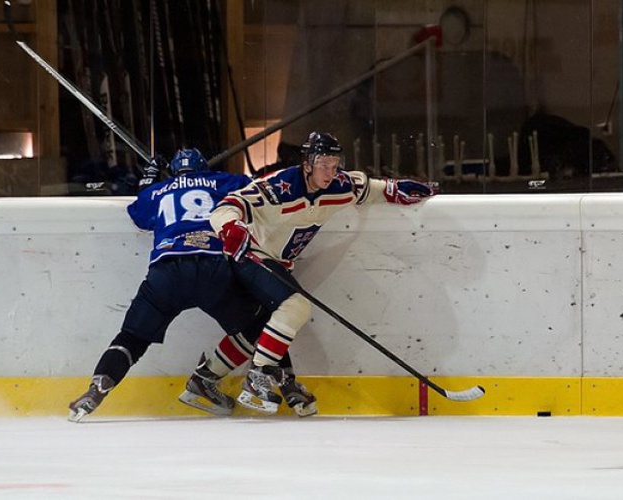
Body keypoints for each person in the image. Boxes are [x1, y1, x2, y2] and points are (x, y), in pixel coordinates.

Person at [68, 148, 316, 421]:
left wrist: (148, 182)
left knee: (131, 338)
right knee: (261, 325)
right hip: (213, 269)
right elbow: (259, 193)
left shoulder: (157, 190)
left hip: (165, 273)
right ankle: (289, 387)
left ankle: (95, 390)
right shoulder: (222, 180)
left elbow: (139, 216)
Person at [209, 131, 436, 414]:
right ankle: (259, 376)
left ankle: (208, 377)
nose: (330, 172)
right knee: (295, 306)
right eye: (323, 165)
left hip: (277, 263)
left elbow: (369, 188)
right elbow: (228, 205)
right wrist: (230, 227)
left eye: (334, 165)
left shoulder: (339, 186)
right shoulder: (279, 186)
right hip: (251, 256)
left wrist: (395, 189)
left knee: (260, 326)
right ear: (307, 164)